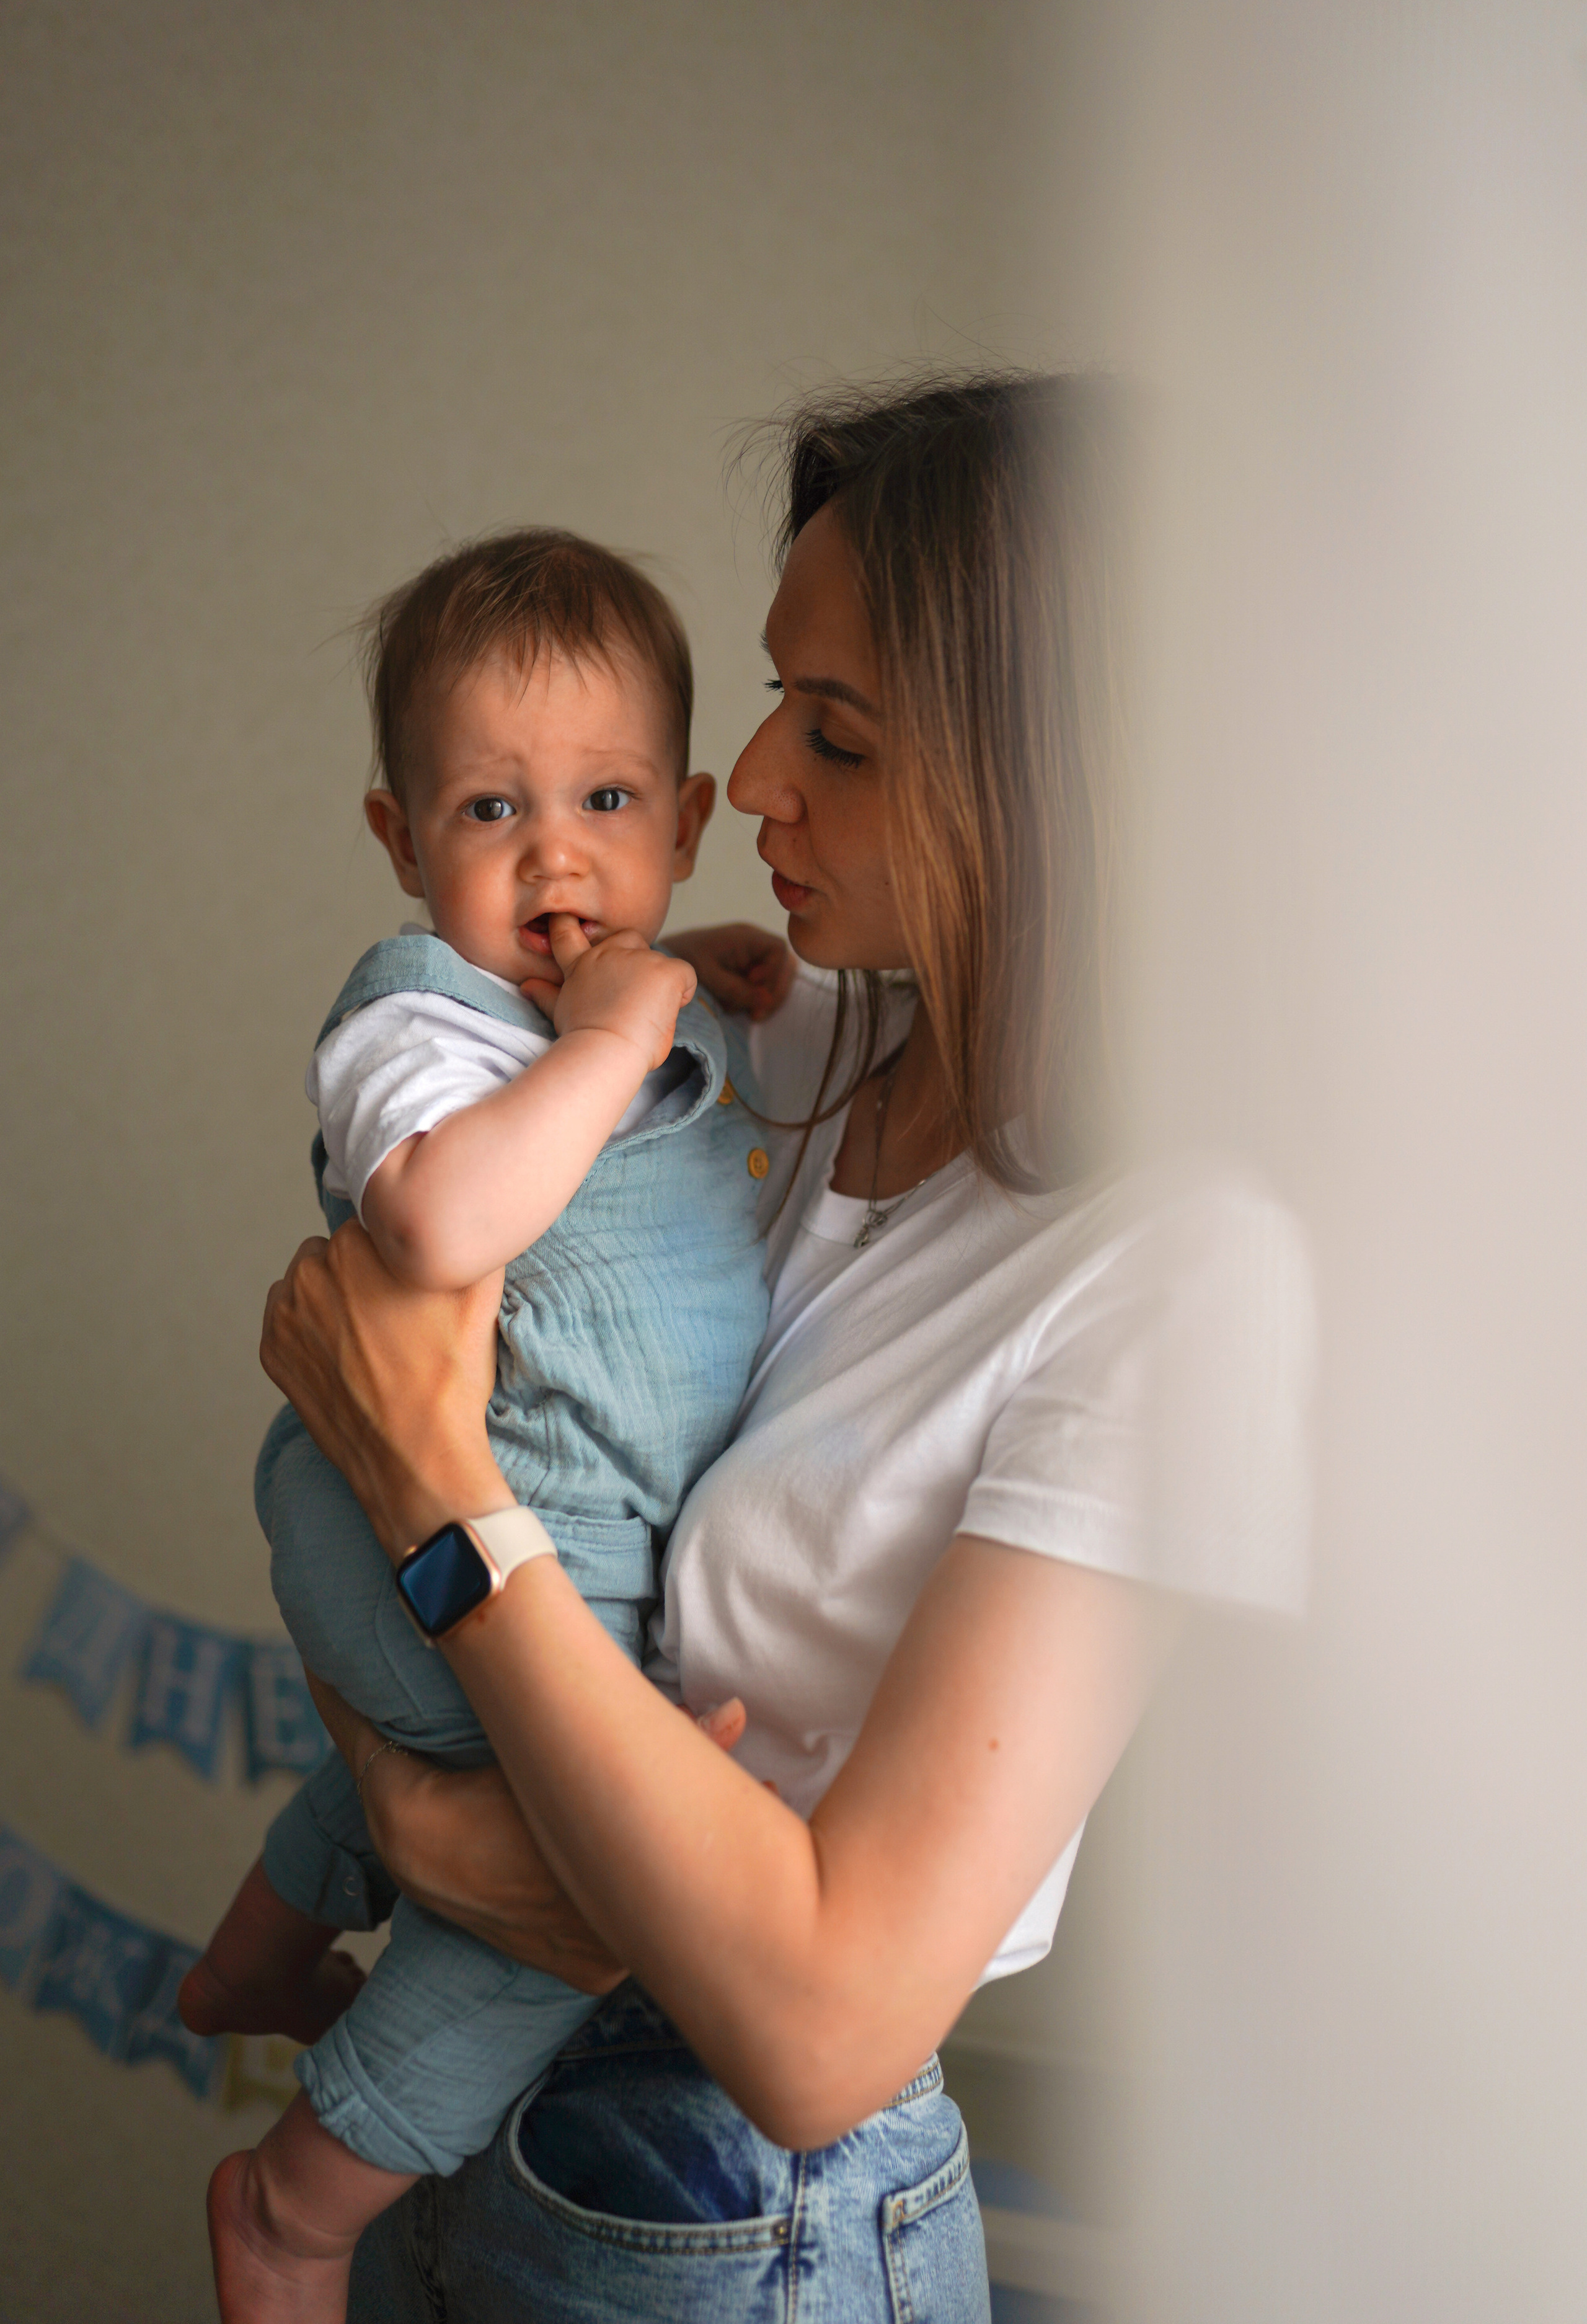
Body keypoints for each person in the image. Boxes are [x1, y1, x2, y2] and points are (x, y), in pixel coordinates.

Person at [244, 372, 1313, 2323]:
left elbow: (819, 2031)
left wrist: (434, 1500)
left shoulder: (1192, 1275)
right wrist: (414, 1812)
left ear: (1048, 771)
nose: (745, 780)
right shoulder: (775, 1057)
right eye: (765, 697)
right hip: (482, 2095)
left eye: (834, 730)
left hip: (727, 2194)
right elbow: (337, 1350)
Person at [183, 531, 777, 2322]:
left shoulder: (648, 1013)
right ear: (400, 841)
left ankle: (256, 1960)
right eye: (488, 811)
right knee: (571, 1892)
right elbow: (439, 1222)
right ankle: (297, 2206)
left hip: (534, 1533)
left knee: (453, 1777)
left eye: (604, 800)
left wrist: (669, 994)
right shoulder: (418, 1021)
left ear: (679, 821)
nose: (556, 859)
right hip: (435, 1517)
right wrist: (612, 1034)